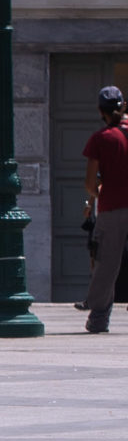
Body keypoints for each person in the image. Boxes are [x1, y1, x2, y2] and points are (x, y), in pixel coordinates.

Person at [86, 83, 128, 334]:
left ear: (100, 111)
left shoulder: (101, 139)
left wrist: (97, 194)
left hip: (113, 207)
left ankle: (99, 318)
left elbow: (90, 184)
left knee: (107, 263)